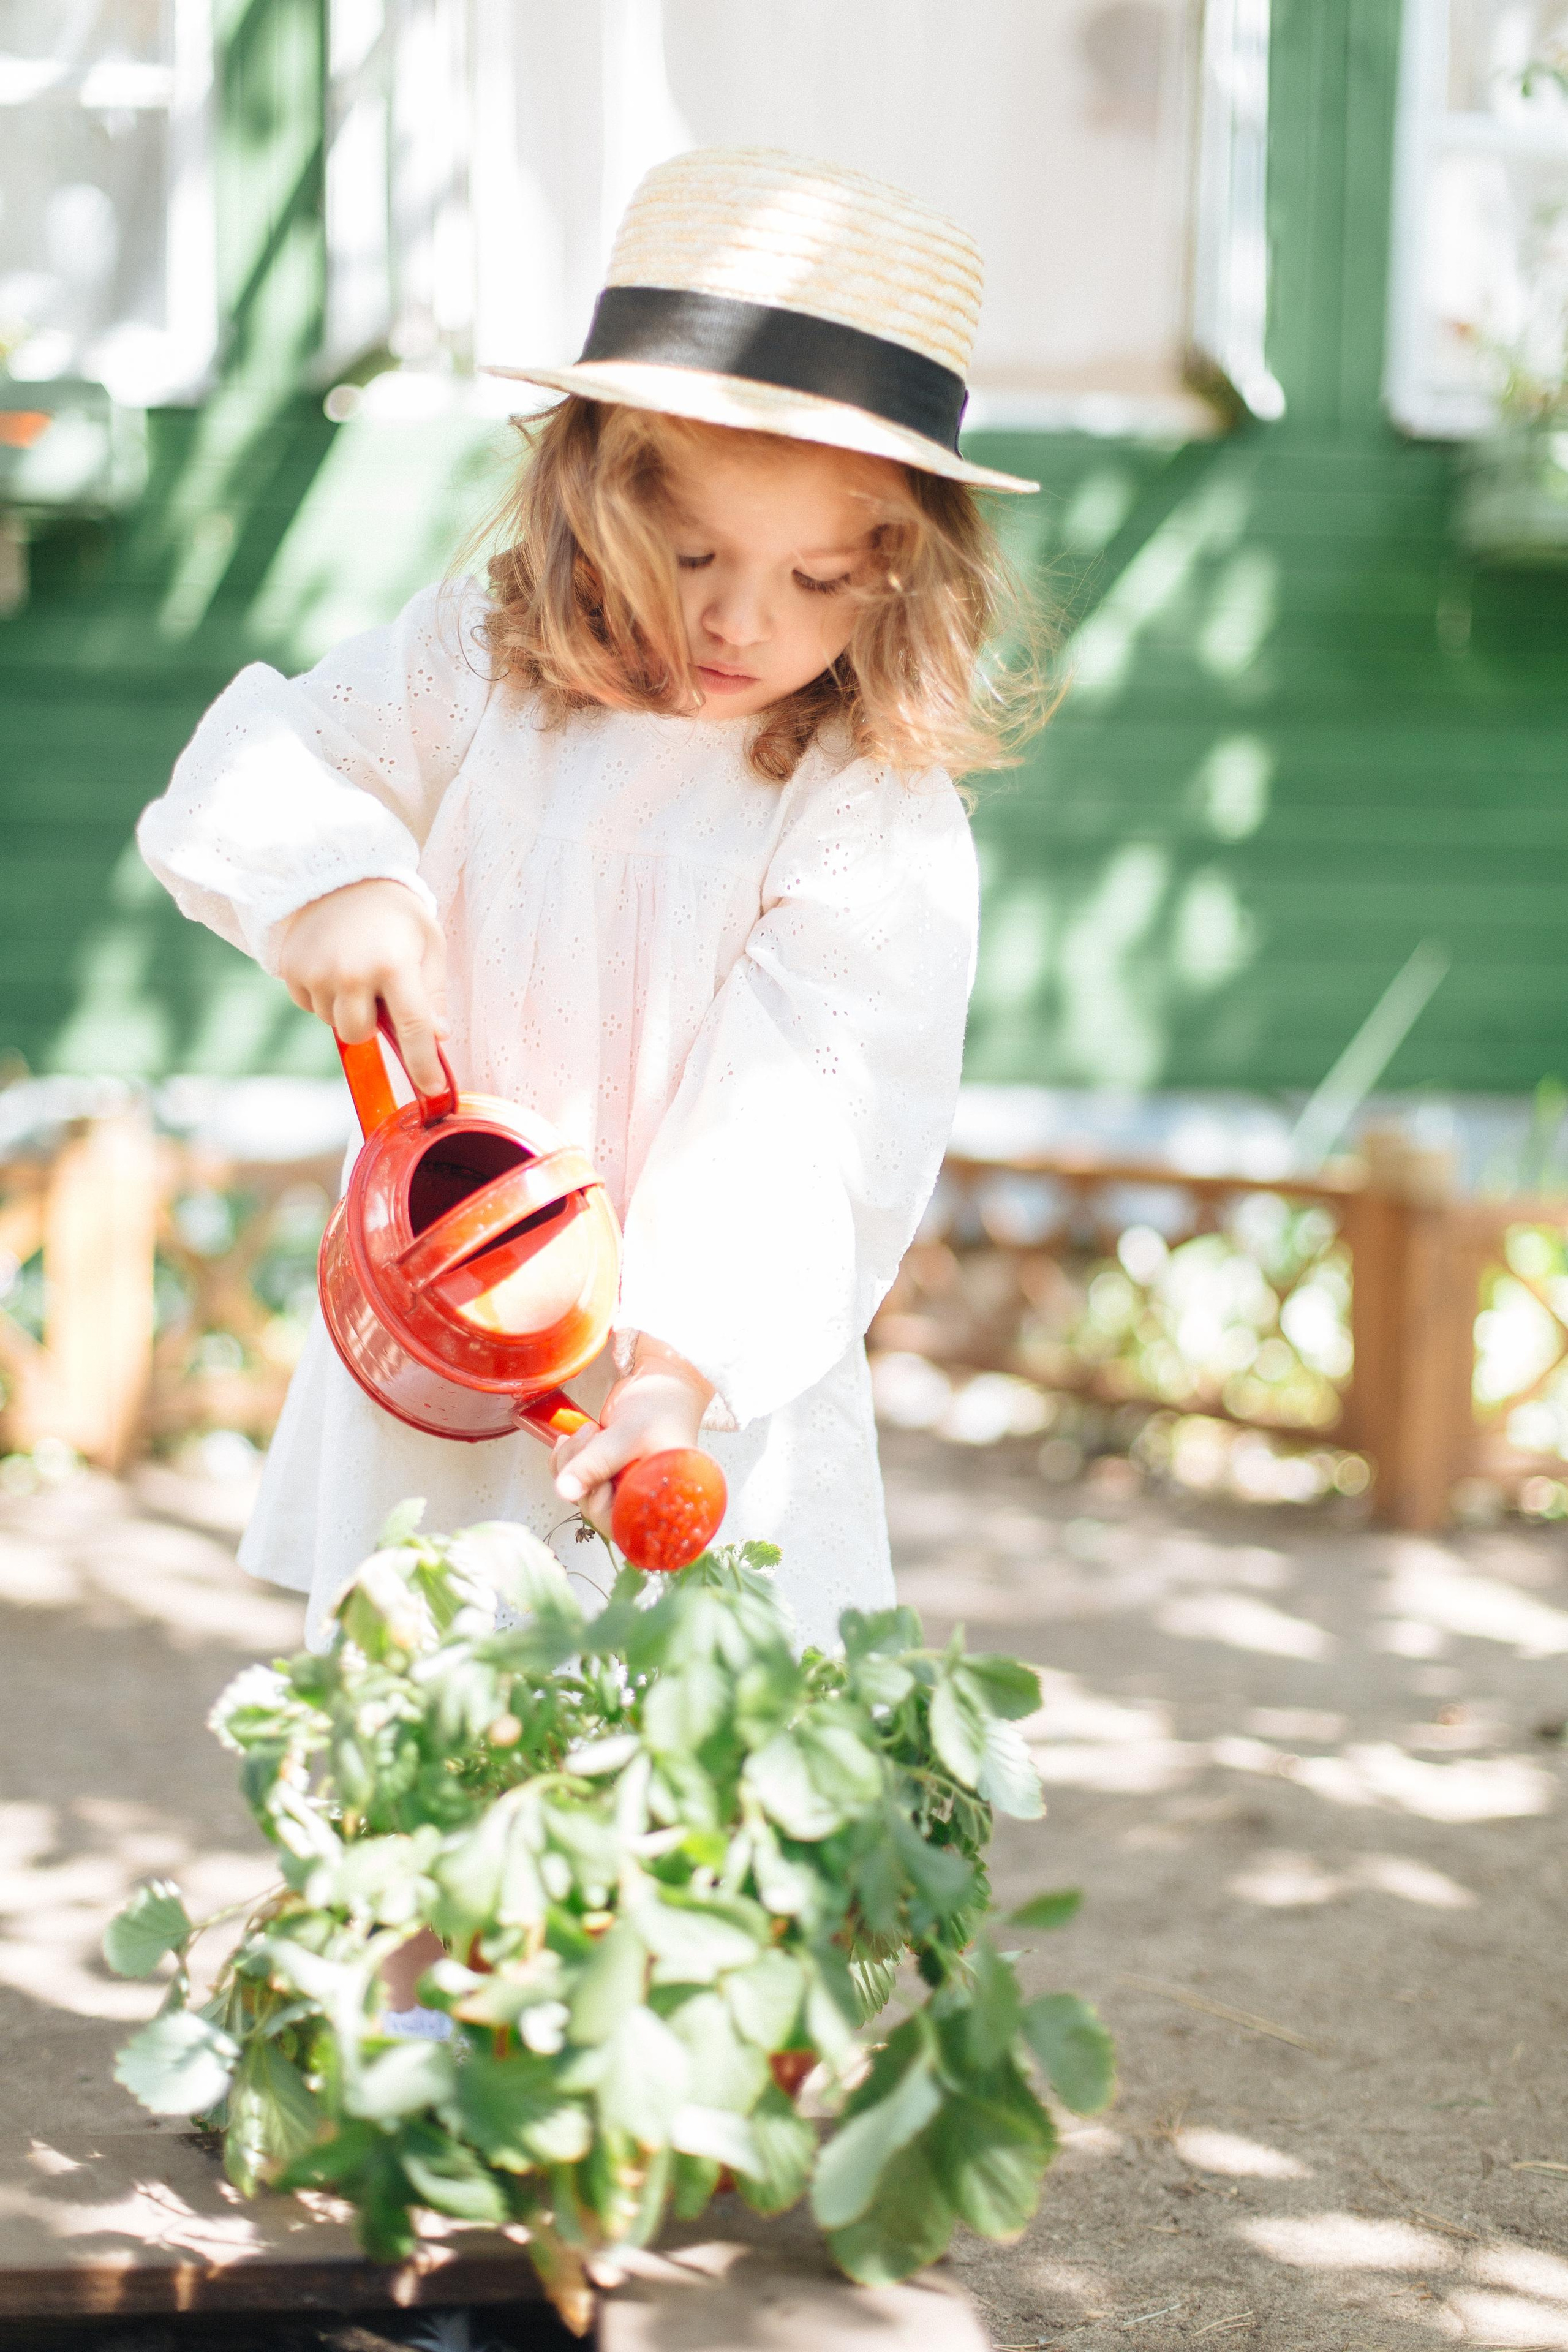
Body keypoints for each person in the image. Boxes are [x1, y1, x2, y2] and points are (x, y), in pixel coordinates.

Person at [138, 146, 1045, 1667]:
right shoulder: (487, 676)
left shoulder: (863, 802)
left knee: (672, 1763)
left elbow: (816, 1106)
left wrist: (678, 1367)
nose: (741, 621)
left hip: (676, 1392)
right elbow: (284, 752)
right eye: (689, 553)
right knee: (424, 1731)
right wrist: (333, 879)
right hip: (451, 1303)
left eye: (820, 578)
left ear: (905, 570)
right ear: (591, 488)